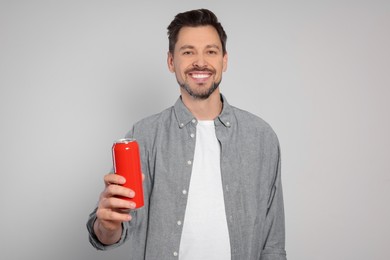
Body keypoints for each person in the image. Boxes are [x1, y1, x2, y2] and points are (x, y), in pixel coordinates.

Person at [87, 8, 287, 260]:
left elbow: (273, 245)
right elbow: (113, 232)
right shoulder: (143, 136)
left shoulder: (261, 137)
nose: (200, 62)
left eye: (211, 51)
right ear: (171, 61)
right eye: (188, 51)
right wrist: (107, 225)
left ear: (224, 60)